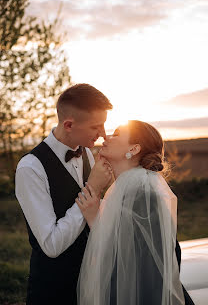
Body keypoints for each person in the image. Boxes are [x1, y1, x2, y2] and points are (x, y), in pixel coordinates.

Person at [76, 120, 195, 305]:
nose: (107, 136)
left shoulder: (142, 193)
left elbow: (132, 261)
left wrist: (94, 220)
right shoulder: (128, 187)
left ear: (134, 148)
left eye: (116, 134)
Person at [15, 83, 113, 305]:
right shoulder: (30, 168)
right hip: (53, 290)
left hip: (90, 283)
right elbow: (51, 245)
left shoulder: (87, 153)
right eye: (96, 127)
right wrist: (93, 188)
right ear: (69, 124)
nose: (103, 134)